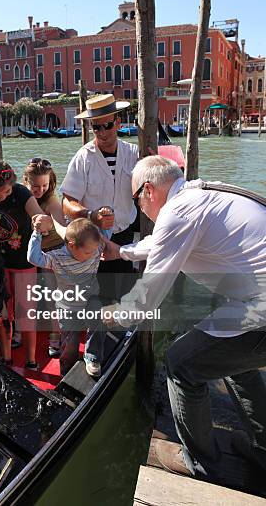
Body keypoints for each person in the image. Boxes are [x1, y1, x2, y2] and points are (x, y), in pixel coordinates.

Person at [103, 155, 266, 484]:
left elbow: (147, 297)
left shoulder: (177, 212)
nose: (139, 208)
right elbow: (162, 242)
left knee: (181, 364)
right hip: (256, 302)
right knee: (231, 364)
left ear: (147, 190)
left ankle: (201, 463)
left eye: (136, 199)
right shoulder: (198, 195)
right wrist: (121, 252)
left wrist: (114, 314)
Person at [60, 93, 139, 299]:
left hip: (124, 232)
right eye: (96, 127)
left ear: (118, 123)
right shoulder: (83, 157)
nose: (102, 132)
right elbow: (67, 202)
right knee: (99, 294)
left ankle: (120, 327)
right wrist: (91, 215)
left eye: (107, 125)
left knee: (125, 289)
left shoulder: (134, 153)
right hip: (92, 238)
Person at [0, 159, 46, 368]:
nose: (2, 197)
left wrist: (41, 222)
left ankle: (31, 360)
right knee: (4, 312)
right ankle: (6, 359)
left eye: (6, 193)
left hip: (24, 262)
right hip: (0, 263)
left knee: (27, 312)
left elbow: (38, 215)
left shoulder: (21, 194)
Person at [28, 216, 108, 378]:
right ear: (72, 246)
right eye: (88, 252)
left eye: (95, 250)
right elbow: (33, 258)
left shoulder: (95, 248)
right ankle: (66, 371)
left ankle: (92, 356)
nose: (94, 254)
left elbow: (107, 232)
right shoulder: (57, 257)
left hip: (90, 297)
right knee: (69, 343)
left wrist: (107, 216)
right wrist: (37, 232)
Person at [22, 157, 65, 357]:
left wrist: (47, 224)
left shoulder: (52, 201)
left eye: (45, 185)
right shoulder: (21, 197)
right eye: (35, 186)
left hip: (51, 253)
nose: (40, 190)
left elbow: (60, 228)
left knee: (51, 296)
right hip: (28, 254)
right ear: (25, 182)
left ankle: (55, 335)